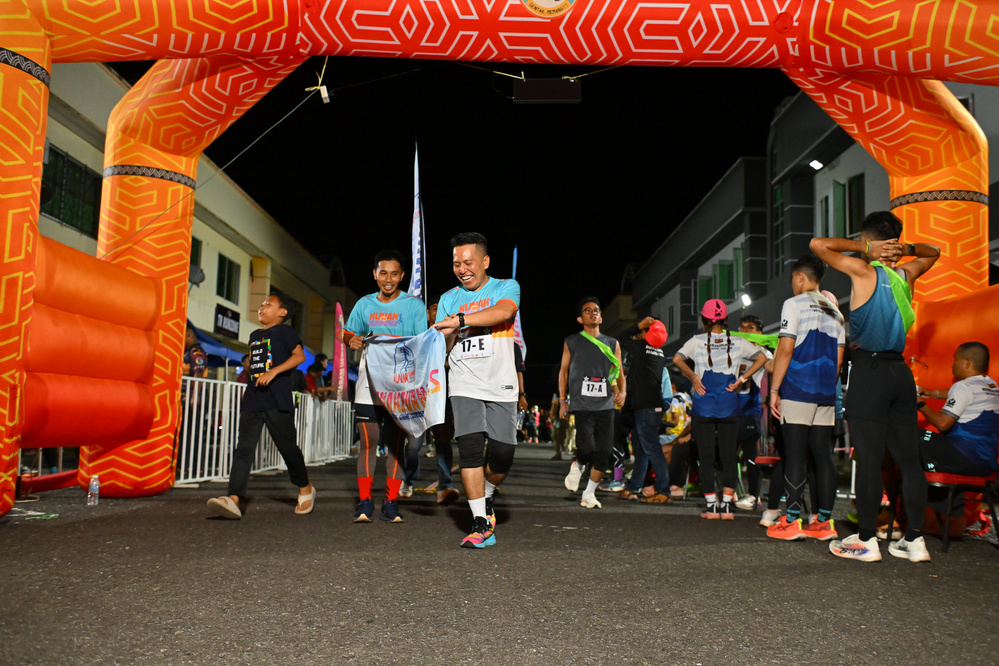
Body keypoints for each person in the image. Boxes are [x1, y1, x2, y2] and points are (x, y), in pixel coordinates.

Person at [811, 210, 940, 562]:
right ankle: (914, 541)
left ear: (868, 240)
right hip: (901, 374)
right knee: (909, 462)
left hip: (870, 372)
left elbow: (818, 244)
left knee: (868, 460)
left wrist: (867, 249)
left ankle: (866, 540)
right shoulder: (906, 274)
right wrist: (905, 249)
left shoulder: (863, 270)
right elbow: (934, 252)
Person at [433, 232, 520, 548]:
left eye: (468, 262)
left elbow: (503, 313)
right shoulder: (448, 298)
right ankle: (480, 522)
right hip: (464, 382)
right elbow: (443, 346)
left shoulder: (506, 287)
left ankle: (487, 494)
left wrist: (460, 320)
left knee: (503, 455)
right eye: (456, 263)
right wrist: (441, 337)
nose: (462, 269)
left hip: (501, 382)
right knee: (469, 449)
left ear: (485, 261)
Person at [207, 291, 315, 519]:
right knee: (243, 449)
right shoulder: (255, 335)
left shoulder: (285, 332)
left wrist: (273, 372)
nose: (262, 307)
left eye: (269, 304)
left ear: (282, 312)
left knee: (287, 449)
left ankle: (305, 488)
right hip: (253, 398)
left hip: (277, 399)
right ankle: (233, 498)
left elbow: (299, 357)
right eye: (262, 303)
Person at [343, 250, 428, 524]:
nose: (388, 279)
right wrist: (351, 340)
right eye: (383, 273)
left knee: (395, 446)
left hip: (400, 385)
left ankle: (390, 503)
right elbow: (348, 332)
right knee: (368, 444)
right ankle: (365, 502)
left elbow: (422, 343)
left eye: (394, 274)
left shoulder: (414, 306)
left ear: (402, 276)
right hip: (368, 383)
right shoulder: (364, 303)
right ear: (374, 274)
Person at [767, 255, 845, 542]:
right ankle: (823, 522)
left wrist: (774, 390)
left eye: (792, 278)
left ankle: (791, 520)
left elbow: (785, 350)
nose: (793, 284)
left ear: (800, 276)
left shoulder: (794, 304)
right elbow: (839, 359)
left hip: (798, 389)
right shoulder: (835, 311)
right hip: (825, 392)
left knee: (795, 454)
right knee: (823, 456)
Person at [673, 299, 767, 519]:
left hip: (703, 407)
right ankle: (725, 507)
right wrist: (742, 378)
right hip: (729, 406)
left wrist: (693, 377)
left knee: (705, 457)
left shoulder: (696, 341)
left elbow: (677, 359)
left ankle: (711, 507)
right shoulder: (737, 341)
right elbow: (762, 358)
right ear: (725, 319)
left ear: (704, 320)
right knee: (729, 456)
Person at [558, 297, 627, 509]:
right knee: (587, 448)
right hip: (582, 404)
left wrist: (622, 392)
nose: (593, 313)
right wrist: (562, 400)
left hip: (606, 405)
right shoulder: (572, 341)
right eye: (587, 311)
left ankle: (588, 494)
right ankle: (578, 463)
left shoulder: (612, 343)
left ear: (601, 317)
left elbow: (618, 371)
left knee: (604, 453)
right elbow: (563, 371)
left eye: (596, 310)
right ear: (580, 319)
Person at [917, 342, 999, 477]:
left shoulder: (963, 386)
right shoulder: (991, 384)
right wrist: (934, 393)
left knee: (907, 433)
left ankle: (904, 483)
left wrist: (920, 404)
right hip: (986, 463)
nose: (952, 364)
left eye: (955, 359)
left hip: (964, 458)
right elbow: (966, 394)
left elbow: (942, 424)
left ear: (967, 363)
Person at [617, 316, 673, 503]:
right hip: (650, 407)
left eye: (640, 332)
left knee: (652, 450)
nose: (637, 335)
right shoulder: (659, 352)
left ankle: (664, 490)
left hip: (645, 408)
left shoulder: (641, 348)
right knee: (641, 451)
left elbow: (618, 339)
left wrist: (638, 326)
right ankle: (633, 488)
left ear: (646, 334)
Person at [733, 314, 773, 511]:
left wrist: (779, 347)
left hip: (749, 410)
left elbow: (773, 367)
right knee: (727, 454)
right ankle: (730, 492)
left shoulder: (763, 352)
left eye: (750, 327)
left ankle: (753, 496)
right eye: (742, 326)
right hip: (729, 410)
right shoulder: (732, 349)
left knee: (751, 456)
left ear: (759, 332)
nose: (745, 330)